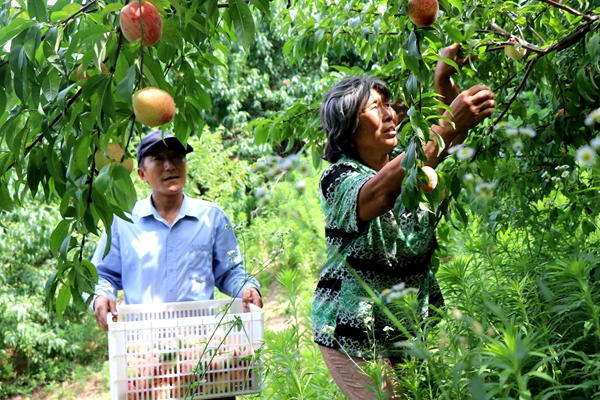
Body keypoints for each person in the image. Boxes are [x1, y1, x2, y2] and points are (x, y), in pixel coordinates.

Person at [311, 44, 495, 400]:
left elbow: (450, 139)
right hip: (354, 329)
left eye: (388, 105)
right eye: (375, 107)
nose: (390, 114)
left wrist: (444, 79)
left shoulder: (403, 159)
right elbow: (383, 192)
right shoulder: (338, 179)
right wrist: (449, 120)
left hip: (409, 319)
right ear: (349, 128)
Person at [90, 130, 262, 400]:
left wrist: (247, 288)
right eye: (158, 158)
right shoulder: (123, 222)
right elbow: (104, 274)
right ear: (142, 174)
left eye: (176, 157)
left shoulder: (211, 217)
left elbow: (230, 272)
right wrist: (101, 296)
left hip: (204, 354)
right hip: (146, 358)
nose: (170, 165)